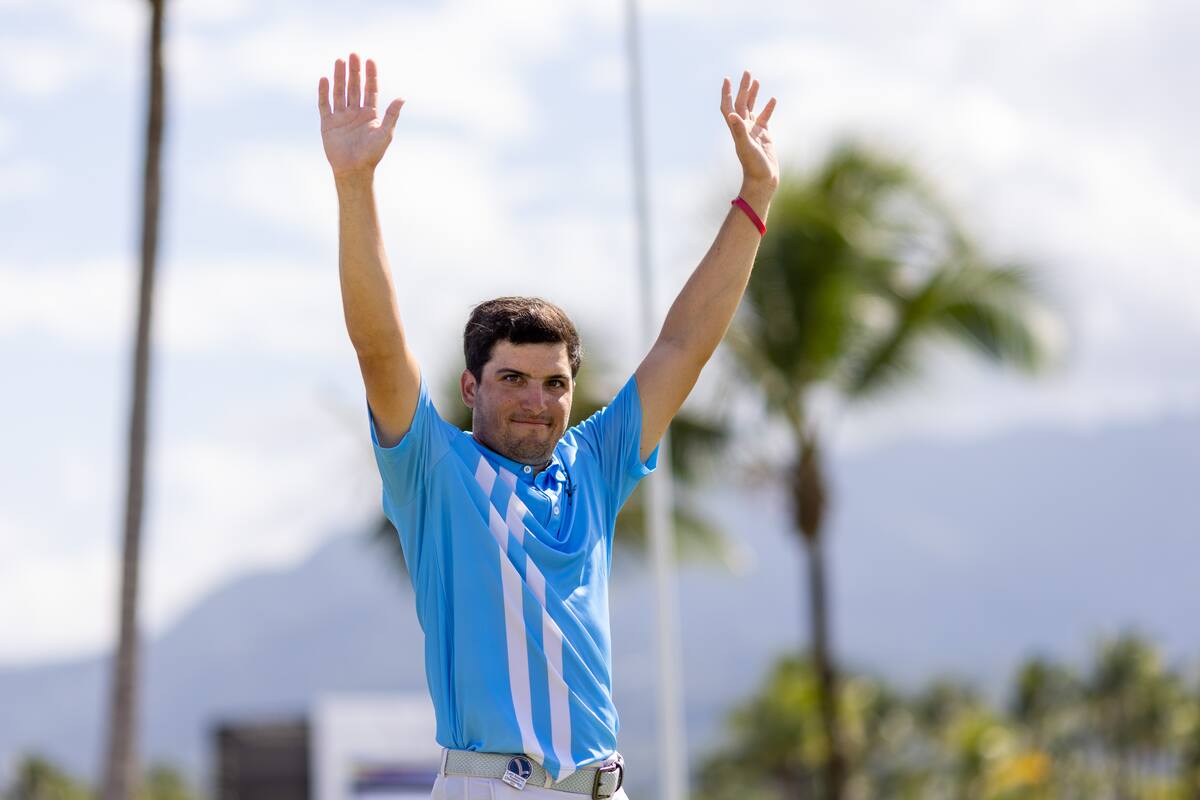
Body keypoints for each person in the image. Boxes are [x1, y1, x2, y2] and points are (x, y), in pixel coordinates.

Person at [317, 52, 778, 800]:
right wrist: (354, 185)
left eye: (554, 383)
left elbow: (684, 345)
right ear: (470, 386)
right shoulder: (436, 468)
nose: (537, 400)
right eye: (512, 380)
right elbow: (377, 349)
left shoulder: (594, 464)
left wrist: (755, 195)